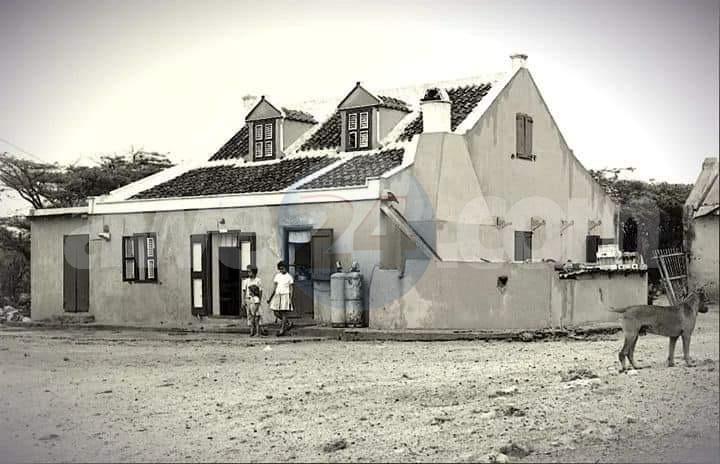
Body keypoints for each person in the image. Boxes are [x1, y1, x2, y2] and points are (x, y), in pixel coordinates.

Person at [267, 261, 294, 336]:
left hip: (285, 295)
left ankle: (282, 329)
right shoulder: (277, 276)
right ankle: (288, 322)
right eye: (280, 269)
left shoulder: (289, 277)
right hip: (277, 295)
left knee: (284, 312)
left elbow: (291, 289)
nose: (281, 270)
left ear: (286, 268)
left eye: (283, 268)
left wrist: (290, 299)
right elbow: (274, 288)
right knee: (275, 312)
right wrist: (270, 298)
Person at [242, 265, 265, 337]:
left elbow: (260, 291)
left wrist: (259, 300)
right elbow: (244, 291)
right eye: (248, 272)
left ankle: (258, 331)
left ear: (254, 272)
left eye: (250, 272)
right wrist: (243, 301)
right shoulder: (246, 281)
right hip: (248, 299)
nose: (248, 273)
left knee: (256, 316)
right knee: (249, 316)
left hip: (255, 300)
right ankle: (252, 331)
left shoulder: (258, 280)